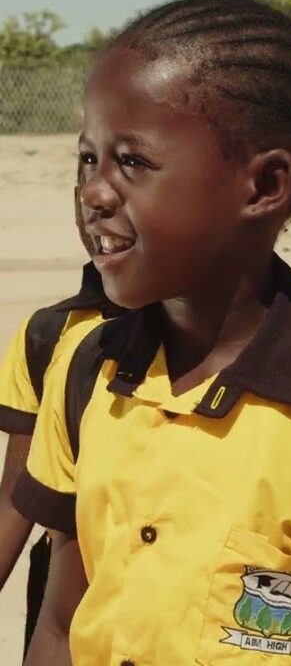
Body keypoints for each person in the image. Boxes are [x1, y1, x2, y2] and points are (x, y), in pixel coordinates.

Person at [14, 0, 291, 666]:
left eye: (131, 161)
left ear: (264, 185)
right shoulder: (87, 373)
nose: (95, 193)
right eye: (89, 159)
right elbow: (59, 627)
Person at [0, 180, 122, 656]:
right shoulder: (47, 335)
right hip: (61, 600)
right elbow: (16, 499)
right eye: (88, 172)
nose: (99, 202)